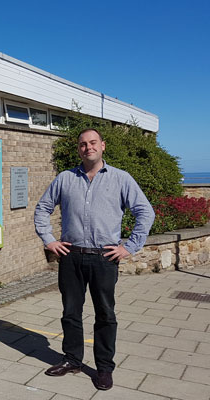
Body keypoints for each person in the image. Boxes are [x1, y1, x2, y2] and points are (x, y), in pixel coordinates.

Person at [34, 128, 155, 390]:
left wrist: (129, 247)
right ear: (78, 149)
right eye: (82, 144)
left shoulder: (121, 179)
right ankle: (72, 360)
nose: (87, 148)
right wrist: (49, 239)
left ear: (102, 146)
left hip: (104, 259)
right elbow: (43, 208)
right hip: (71, 257)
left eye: (92, 143)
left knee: (105, 315)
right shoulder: (65, 179)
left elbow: (145, 212)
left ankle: (103, 368)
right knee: (70, 313)